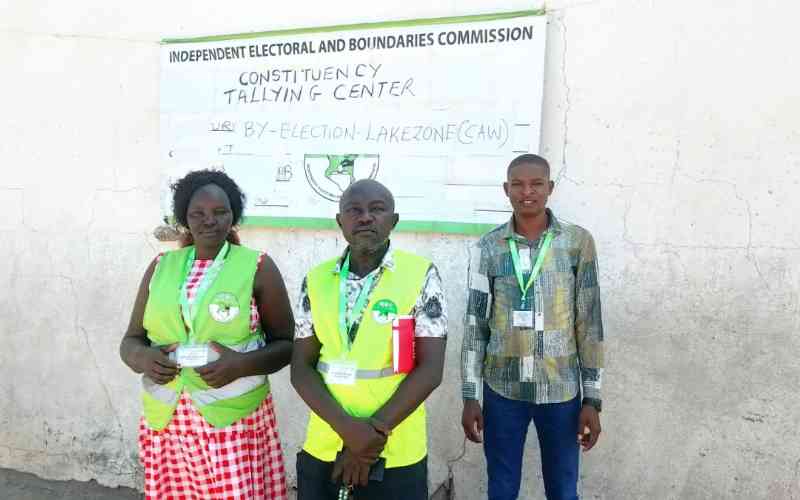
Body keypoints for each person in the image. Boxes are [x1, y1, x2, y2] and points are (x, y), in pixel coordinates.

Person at [120, 169, 294, 499]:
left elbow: (286, 345)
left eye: (220, 212)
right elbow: (130, 341)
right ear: (185, 218)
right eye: (197, 213)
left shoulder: (257, 266)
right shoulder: (161, 266)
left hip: (232, 422)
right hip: (169, 423)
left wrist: (241, 365)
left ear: (234, 216)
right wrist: (144, 358)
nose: (208, 221)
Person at [291, 179, 447, 500]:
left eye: (376, 210)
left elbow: (430, 370)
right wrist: (347, 430)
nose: (365, 217)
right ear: (340, 221)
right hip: (326, 442)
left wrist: (370, 437)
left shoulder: (421, 275)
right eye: (354, 210)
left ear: (393, 220)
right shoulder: (316, 280)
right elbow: (300, 369)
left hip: (395, 446)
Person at [461, 154, 604, 500]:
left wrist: (593, 399)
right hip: (502, 390)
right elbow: (475, 323)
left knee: (563, 488)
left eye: (536, 184)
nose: (527, 192)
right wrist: (470, 395)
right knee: (502, 487)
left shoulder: (576, 242)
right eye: (518, 184)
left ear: (550, 188)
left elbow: (589, 322)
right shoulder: (488, 246)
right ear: (506, 190)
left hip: (562, 390)